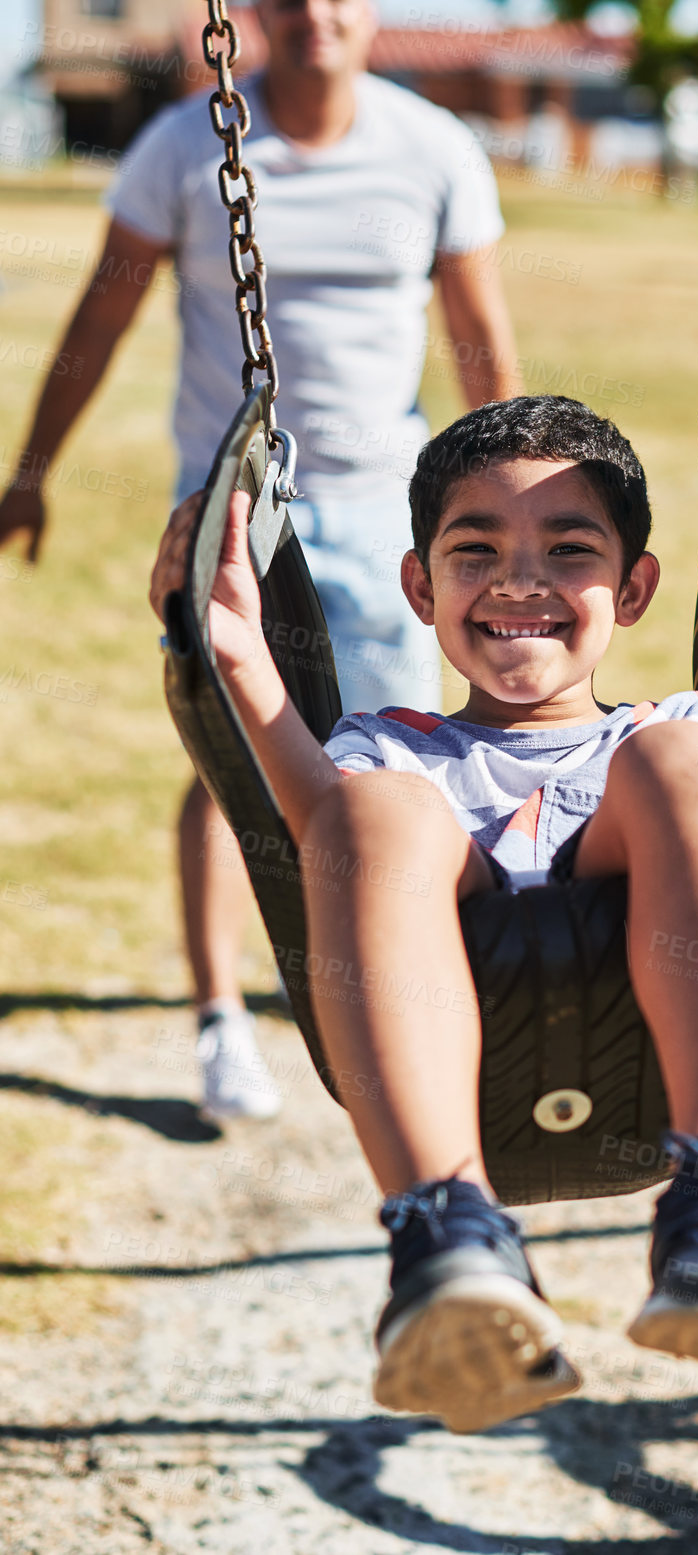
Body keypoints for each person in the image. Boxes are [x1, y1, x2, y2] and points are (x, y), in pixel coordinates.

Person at [148, 392, 698, 1434]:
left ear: (637, 586)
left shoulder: (672, 735)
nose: (521, 579)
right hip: (445, 1067)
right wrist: (238, 653)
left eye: (570, 550)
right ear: (419, 590)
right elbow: (313, 840)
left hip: (652, 1056)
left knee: (694, 764)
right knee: (366, 809)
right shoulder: (391, 752)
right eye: (476, 550)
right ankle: (447, 1236)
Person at [0, 0, 522, 1120]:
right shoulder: (192, 146)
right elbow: (104, 314)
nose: (316, 15)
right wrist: (35, 465)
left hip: (390, 508)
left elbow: (482, 342)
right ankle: (219, 1019)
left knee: (406, 774)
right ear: (250, 17)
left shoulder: (431, 149)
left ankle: (405, 987)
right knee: (232, 767)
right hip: (238, 508)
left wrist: (513, 501)